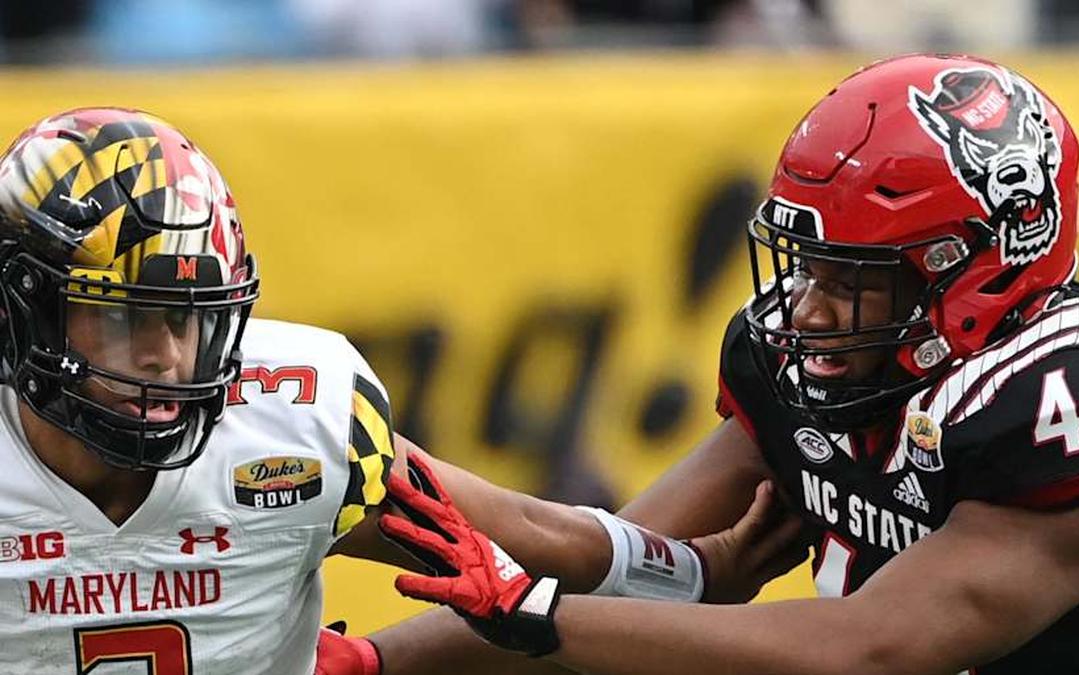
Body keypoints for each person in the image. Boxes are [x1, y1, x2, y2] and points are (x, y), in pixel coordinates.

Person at [375, 53, 1079, 674]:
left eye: (850, 279)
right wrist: (372, 650)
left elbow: (868, 648)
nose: (806, 309)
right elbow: (619, 556)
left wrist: (541, 615)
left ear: (972, 266)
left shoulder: (1075, 404)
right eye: (809, 266)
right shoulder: (819, 360)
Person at [0, 106, 749, 675]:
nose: (166, 358)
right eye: (124, 318)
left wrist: (694, 572)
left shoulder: (296, 423)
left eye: (185, 318)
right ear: (22, 307)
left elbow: (532, 541)